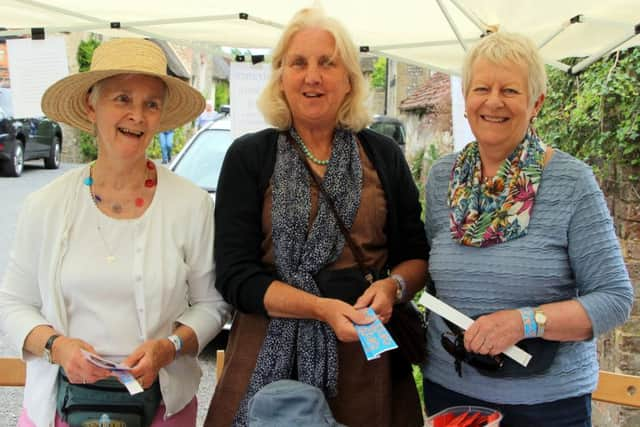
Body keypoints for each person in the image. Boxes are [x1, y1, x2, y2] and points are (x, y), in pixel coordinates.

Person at [204, 7, 428, 427]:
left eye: (328, 63)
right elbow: (234, 276)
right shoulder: (249, 157)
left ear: (348, 80)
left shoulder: (383, 156)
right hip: (265, 351)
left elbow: (415, 255)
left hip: (365, 356)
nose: (312, 76)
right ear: (281, 76)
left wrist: (393, 287)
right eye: (299, 63)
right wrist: (319, 308)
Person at [0, 38, 232, 427]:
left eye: (150, 104)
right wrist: (58, 348)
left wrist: (170, 348)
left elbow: (213, 304)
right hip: (59, 409)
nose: (137, 116)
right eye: (122, 99)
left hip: (162, 409)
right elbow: (13, 304)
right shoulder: (46, 204)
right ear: (92, 105)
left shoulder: (191, 205)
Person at [421, 32, 633, 427]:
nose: (494, 101)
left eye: (510, 90)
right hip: (452, 394)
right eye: (481, 88)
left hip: (546, 407)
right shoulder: (440, 179)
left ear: (536, 103)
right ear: (466, 101)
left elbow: (615, 298)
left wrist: (526, 321)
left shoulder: (572, 182)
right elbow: (430, 271)